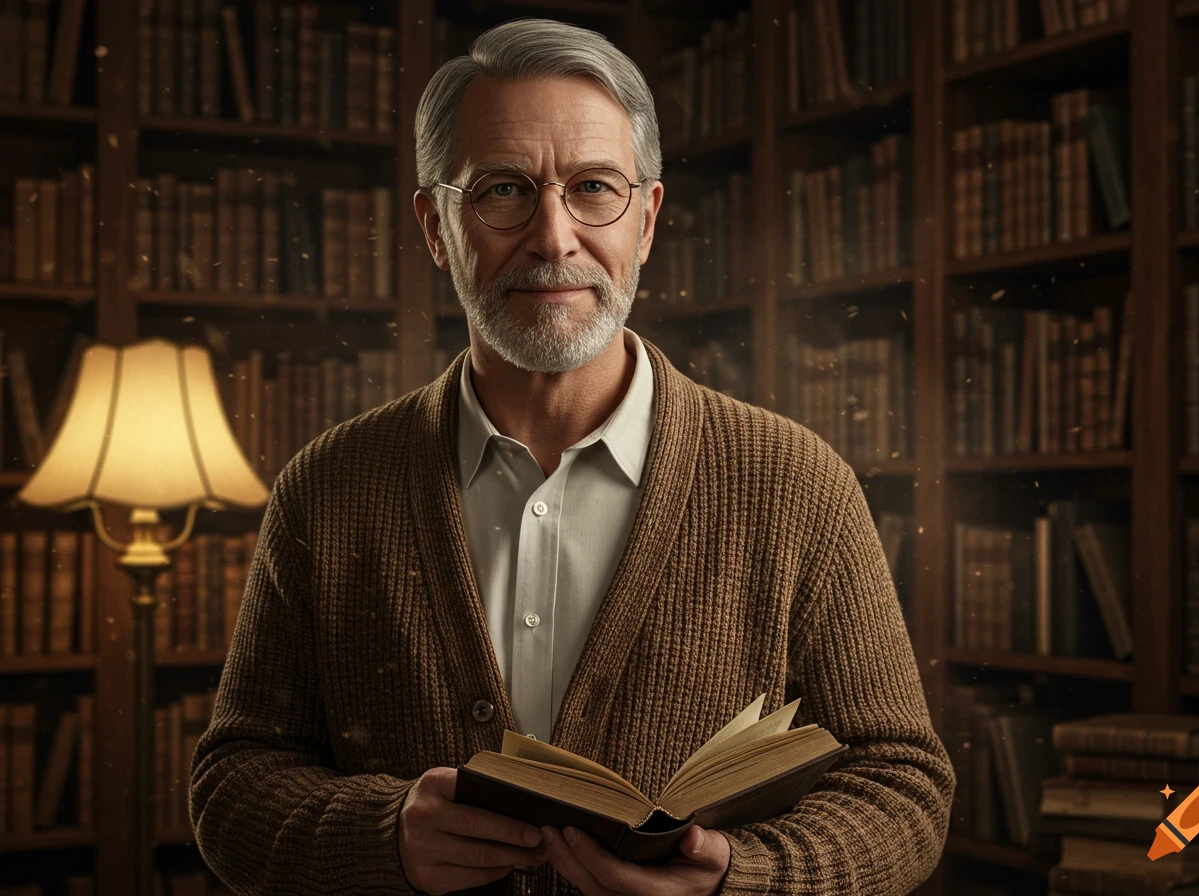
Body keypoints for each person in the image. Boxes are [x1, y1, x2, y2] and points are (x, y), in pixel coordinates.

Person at [190, 16, 955, 896]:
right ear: (437, 227)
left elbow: (904, 785)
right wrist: (383, 837)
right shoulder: (326, 489)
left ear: (649, 221)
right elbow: (232, 785)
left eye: (595, 188)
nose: (554, 238)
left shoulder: (799, 485)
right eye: (503, 191)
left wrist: (740, 880)